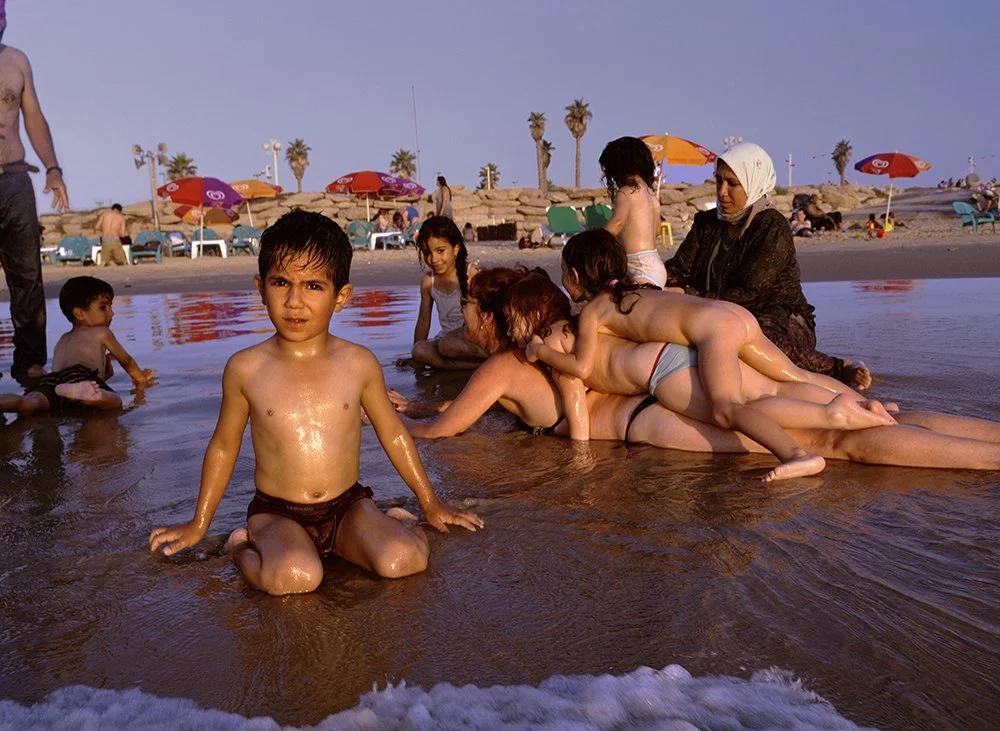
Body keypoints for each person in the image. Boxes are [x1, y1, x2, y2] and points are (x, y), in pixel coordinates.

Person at [148, 211, 482, 595]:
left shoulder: (359, 363)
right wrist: (199, 523)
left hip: (347, 507)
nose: (294, 301)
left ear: (340, 296)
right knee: (295, 578)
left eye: (313, 286)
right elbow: (224, 446)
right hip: (278, 513)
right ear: (261, 288)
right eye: (281, 283)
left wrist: (431, 503)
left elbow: (394, 434)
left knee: (403, 561)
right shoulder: (245, 368)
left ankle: (399, 522)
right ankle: (241, 547)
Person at [392, 267, 1000, 472]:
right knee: (847, 416)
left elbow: (450, 431)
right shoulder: (561, 332)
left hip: (652, 415)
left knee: (838, 442)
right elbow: (469, 408)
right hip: (681, 372)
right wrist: (421, 407)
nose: (462, 311)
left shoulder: (502, 363)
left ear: (496, 315)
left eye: (468, 304)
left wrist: (388, 428)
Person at [524, 231, 888, 481]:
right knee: (797, 376)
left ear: (574, 275)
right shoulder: (639, 289)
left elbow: (582, 366)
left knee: (726, 408)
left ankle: (797, 454)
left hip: (715, 332)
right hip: (732, 315)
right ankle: (870, 407)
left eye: (563, 275)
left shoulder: (595, 311)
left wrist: (540, 349)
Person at [664, 142, 871, 390]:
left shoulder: (771, 226)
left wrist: (688, 295)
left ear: (753, 183)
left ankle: (837, 368)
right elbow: (678, 269)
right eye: (718, 181)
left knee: (752, 338)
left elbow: (752, 294)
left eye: (732, 184)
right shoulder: (706, 224)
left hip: (778, 317)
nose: (722, 191)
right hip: (716, 311)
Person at [0, 0, 69, 383]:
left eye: (2, 15)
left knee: (27, 276)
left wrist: (53, 168)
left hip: (14, 180)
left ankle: (29, 363)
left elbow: (34, 117)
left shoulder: (17, 61)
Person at [0, 276, 155, 418]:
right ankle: (95, 396)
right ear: (79, 313)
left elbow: (64, 374)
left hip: (54, 383)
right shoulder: (102, 332)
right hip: (82, 378)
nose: (112, 313)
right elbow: (127, 361)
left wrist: (103, 376)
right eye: (103, 307)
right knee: (115, 402)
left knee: (28, 403)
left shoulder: (63, 338)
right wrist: (141, 379)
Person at [409, 216, 488, 370]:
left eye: (440, 251)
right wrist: (414, 354)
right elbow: (424, 321)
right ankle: (466, 367)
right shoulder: (428, 281)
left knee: (447, 345)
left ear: (456, 249)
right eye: (427, 252)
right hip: (446, 340)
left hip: (473, 339)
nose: (434, 259)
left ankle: (477, 363)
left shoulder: (471, 274)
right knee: (420, 350)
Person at [598, 136, 667, 287]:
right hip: (655, 265)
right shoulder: (651, 196)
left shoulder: (625, 192)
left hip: (640, 267)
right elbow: (656, 231)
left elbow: (617, 222)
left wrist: (597, 240)